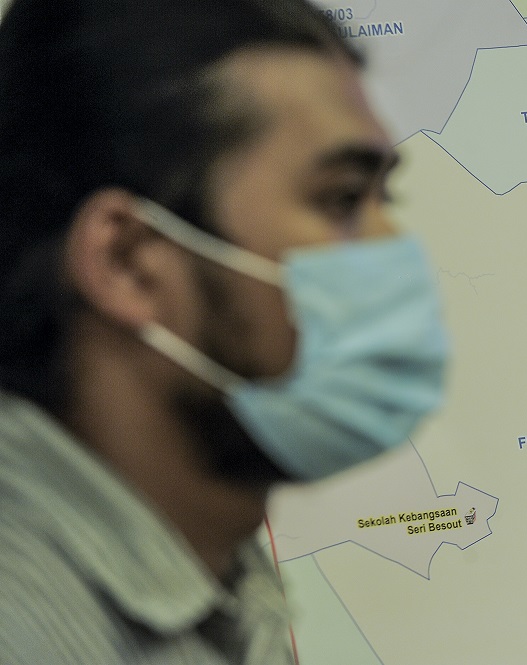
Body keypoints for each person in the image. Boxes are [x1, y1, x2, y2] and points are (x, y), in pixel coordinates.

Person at [0, 0, 448, 662]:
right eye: (342, 200)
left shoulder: (215, 580)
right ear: (128, 263)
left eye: (387, 201)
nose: (392, 248)